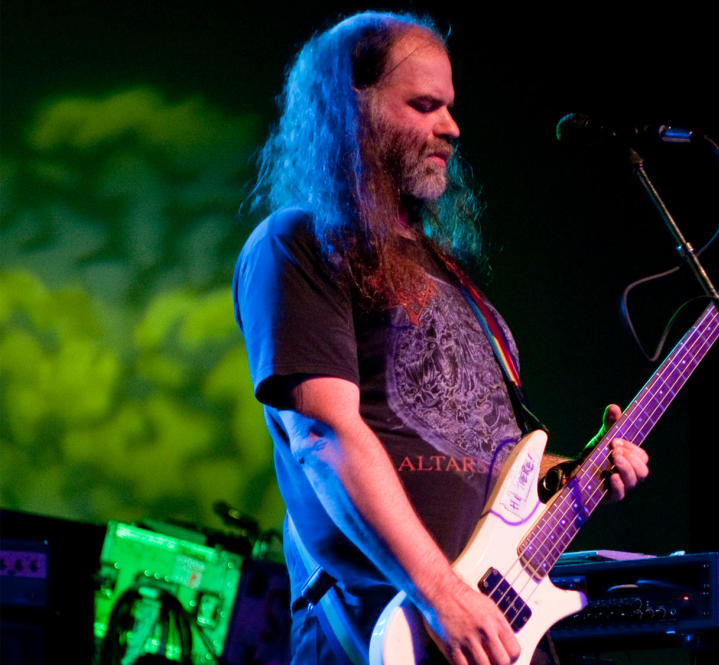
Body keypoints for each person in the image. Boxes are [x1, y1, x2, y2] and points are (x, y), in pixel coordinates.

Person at [233, 11, 648, 665]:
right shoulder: (300, 244)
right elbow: (323, 434)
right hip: (384, 628)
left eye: (449, 108)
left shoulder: (461, 285)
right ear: (352, 110)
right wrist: (439, 593)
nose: (450, 128)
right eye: (424, 106)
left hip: (494, 632)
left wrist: (582, 471)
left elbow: (493, 462)